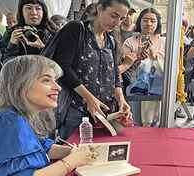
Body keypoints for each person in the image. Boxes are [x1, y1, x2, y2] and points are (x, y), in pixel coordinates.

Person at [46, 0, 132, 139]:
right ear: (99, 9)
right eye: (114, 15)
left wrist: (121, 100)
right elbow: (63, 67)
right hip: (75, 109)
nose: (117, 23)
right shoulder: (76, 29)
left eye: (121, 19)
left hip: (104, 113)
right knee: (73, 151)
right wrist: (89, 99)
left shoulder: (111, 40)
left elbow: (114, 73)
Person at [121, 7, 165, 126]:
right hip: (135, 89)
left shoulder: (165, 42)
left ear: (158, 23)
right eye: (145, 20)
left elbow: (168, 68)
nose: (149, 24)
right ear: (139, 21)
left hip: (159, 92)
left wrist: (155, 56)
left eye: (153, 20)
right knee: (135, 123)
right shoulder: (130, 42)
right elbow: (124, 67)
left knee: (157, 125)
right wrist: (137, 58)